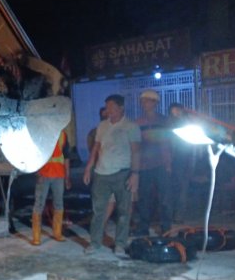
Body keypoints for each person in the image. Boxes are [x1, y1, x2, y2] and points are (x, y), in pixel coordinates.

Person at [82, 94, 140, 256]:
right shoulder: (102, 126)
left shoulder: (131, 126)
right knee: (98, 211)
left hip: (122, 173)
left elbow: (136, 151)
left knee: (123, 211)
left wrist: (135, 174)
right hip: (101, 173)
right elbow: (96, 148)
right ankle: (95, 243)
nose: (108, 111)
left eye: (111, 107)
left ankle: (120, 244)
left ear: (121, 108)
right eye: (107, 107)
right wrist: (89, 167)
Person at [134, 89, 172, 236]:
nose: (144, 103)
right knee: (144, 198)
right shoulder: (139, 122)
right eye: (143, 101)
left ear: (155, 103)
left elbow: (167, 143)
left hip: (161, 164)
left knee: (165, 198)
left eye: (147, 100)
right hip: (144, 165)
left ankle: (166, 227)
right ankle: (143, 227)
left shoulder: (163, 121)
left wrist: (168, 163)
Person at [31, 130, 70, 245]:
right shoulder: (41, 132)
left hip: (59, 174)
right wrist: (38, 172)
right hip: (44, 174)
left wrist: (67, 176)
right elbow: (35, 153)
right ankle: (36, 236)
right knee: (39, 204)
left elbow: (66, 157)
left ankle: (57, 233)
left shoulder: (63, 134)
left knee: (59, 204)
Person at [167, 103, 193, 223]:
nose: (176, 114)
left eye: (178, 111)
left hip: (185, 159)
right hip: (171, 159)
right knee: (171, 189)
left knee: (183, 188)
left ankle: (179, 215)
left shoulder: (188, 124)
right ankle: (170, 214)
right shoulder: (169, 125)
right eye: (174, 112)